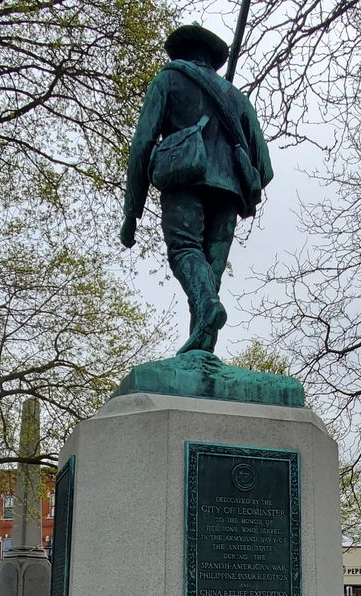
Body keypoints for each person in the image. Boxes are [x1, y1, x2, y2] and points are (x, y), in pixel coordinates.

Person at [120, 24, 272, 355]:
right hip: (229, 192)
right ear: (213, 60)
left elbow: (143, 143)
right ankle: (201, 350)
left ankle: (206, 309)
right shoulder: (238, 99)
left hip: (184, 178)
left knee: (185, 251)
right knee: (210, 274)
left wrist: (132, 210)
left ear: (182, 52)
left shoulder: (169, 79)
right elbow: (265, 167)